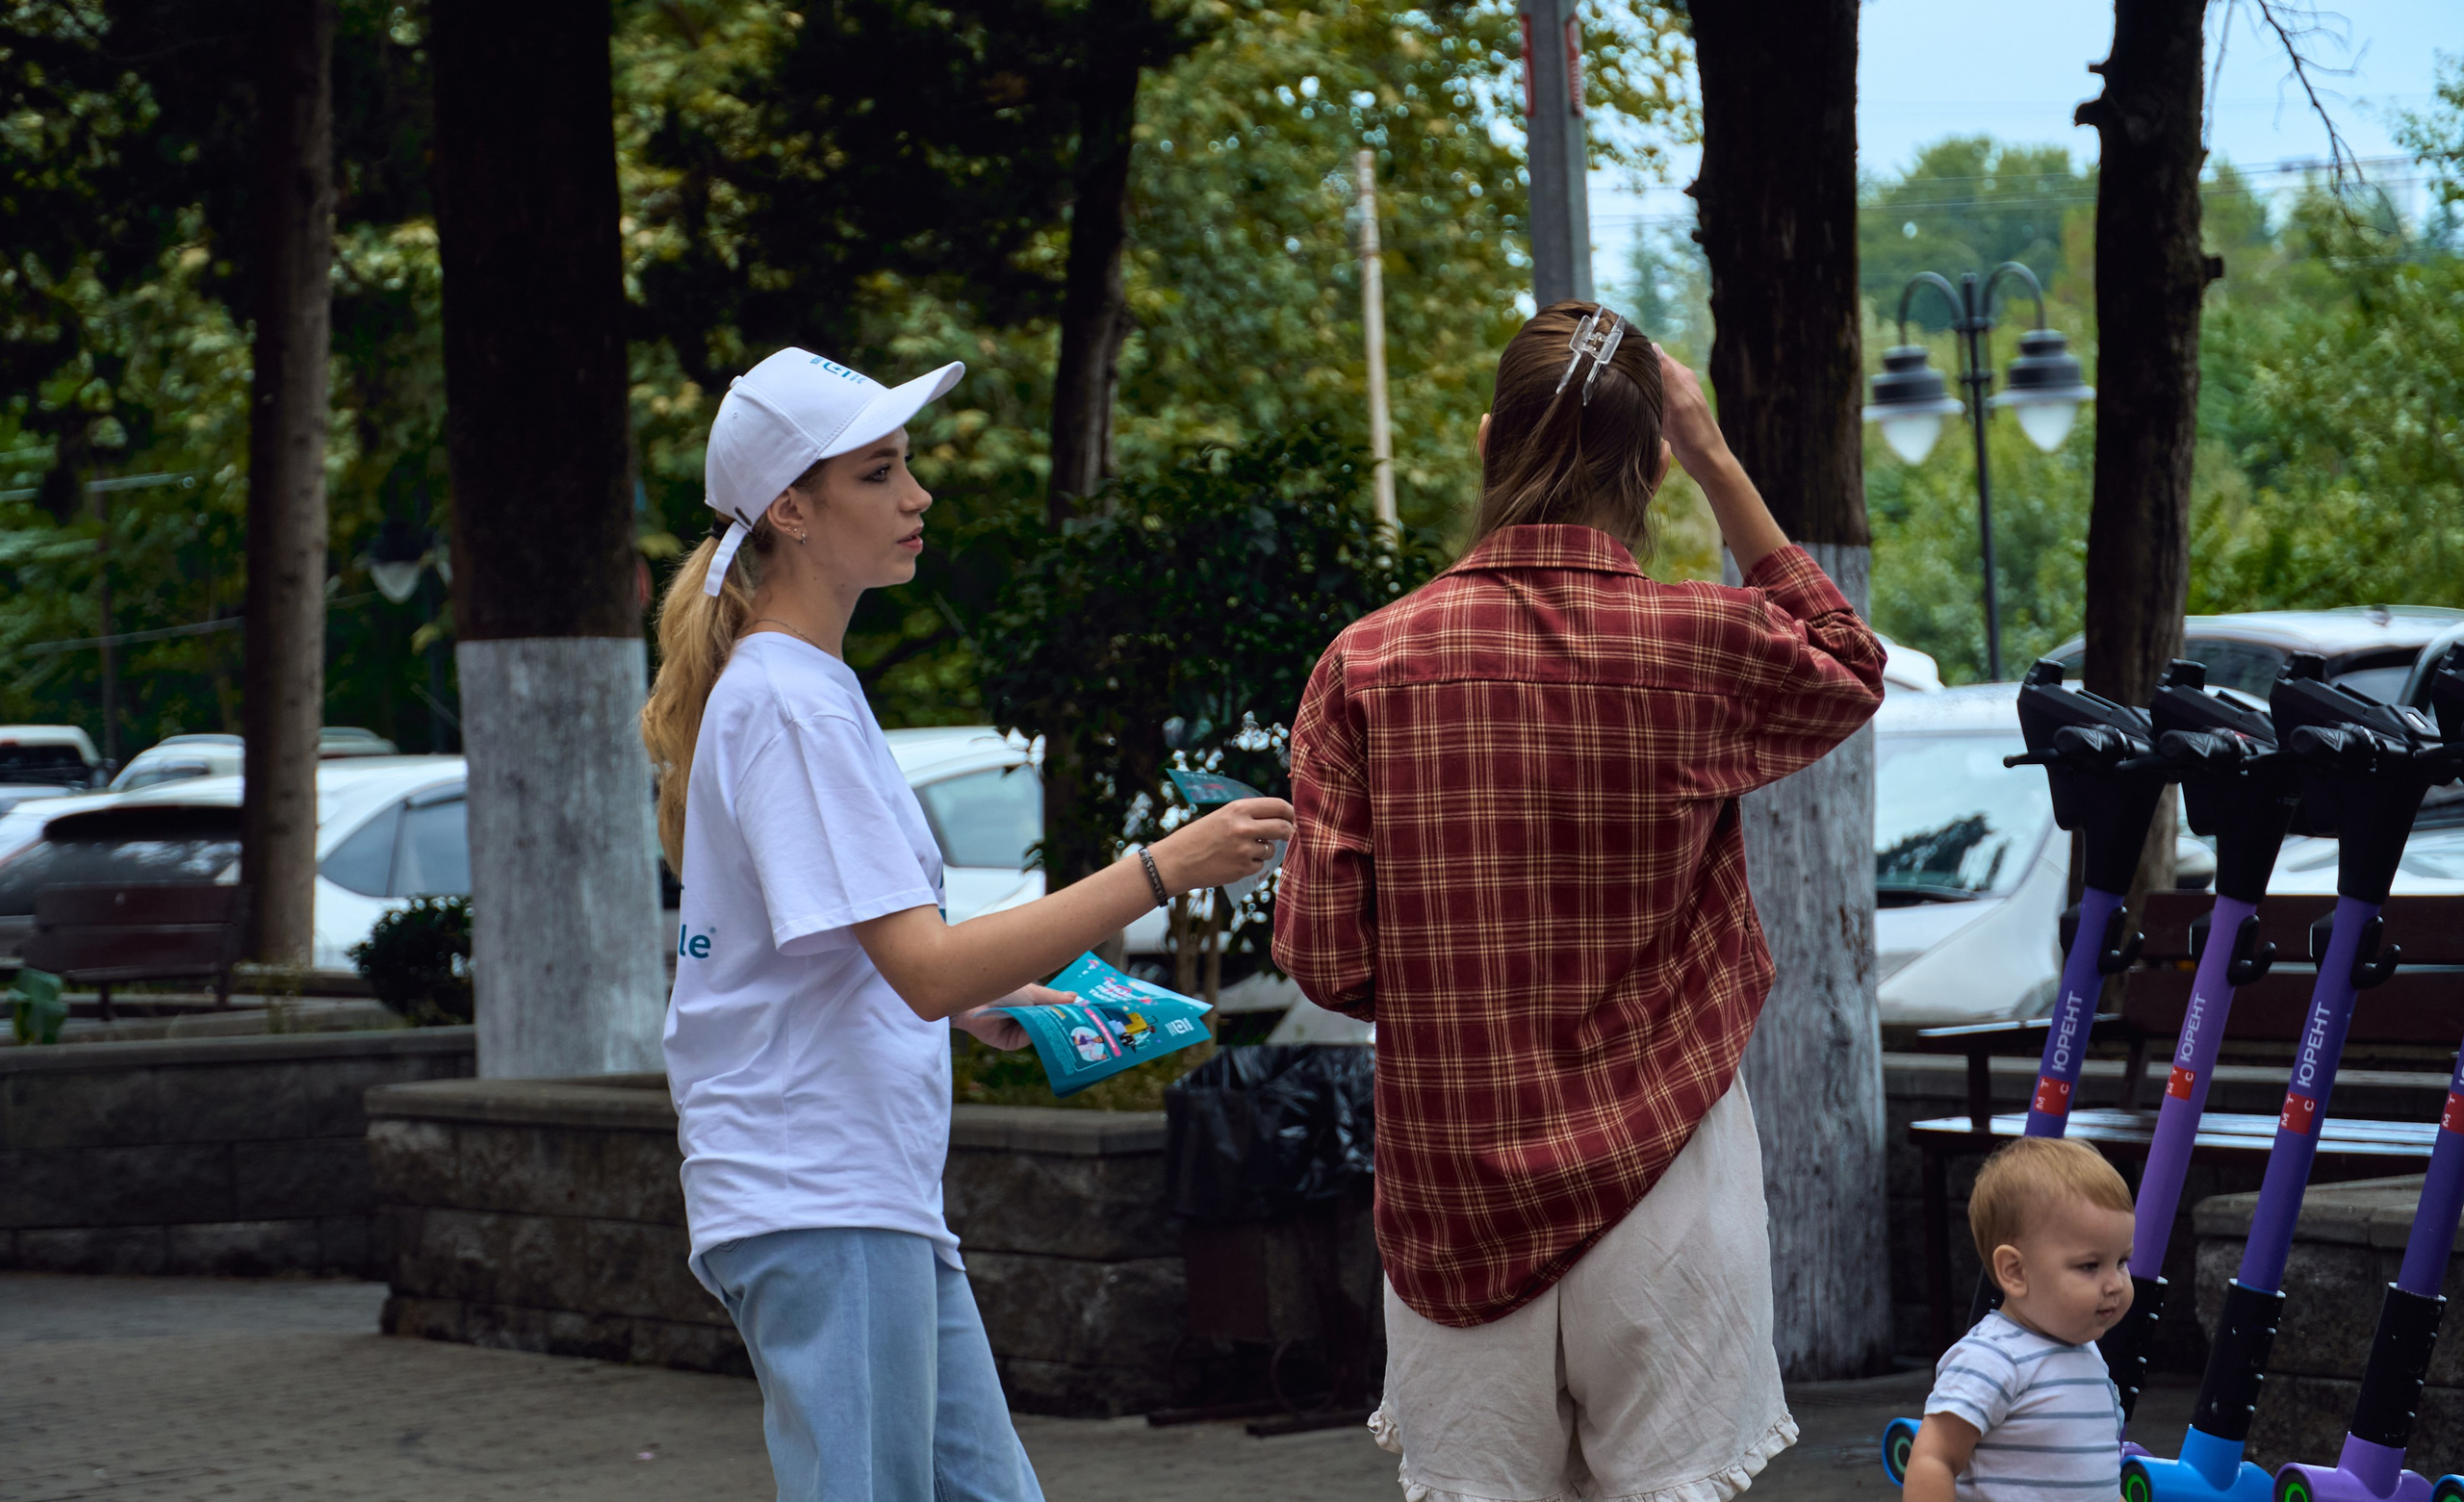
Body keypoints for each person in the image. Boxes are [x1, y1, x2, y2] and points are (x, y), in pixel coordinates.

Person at [640, 346, 1292, 1502]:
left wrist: (983, 996)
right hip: (822, 1189)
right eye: (878, 472)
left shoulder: (800, 686)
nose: (917, 493)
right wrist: (1163, 867)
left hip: (852, 1191)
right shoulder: (789, 699)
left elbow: (864, 957)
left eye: (906, 465)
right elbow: (923, 968)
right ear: (790, 509)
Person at [1274, 302, 1886, 1502]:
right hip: (1669, 1169)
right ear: (1653, 462)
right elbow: (1847, 660)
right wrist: (1716, 457)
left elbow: (1325, 958)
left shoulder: (1367, 663)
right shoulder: (1697, 643)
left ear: (1488, 440)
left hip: (1455, 1193)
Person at [1905, 1138, 2133, 1502]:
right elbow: (1934, 1458)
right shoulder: (1993, 1357)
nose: (2115, 1284)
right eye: (2090, 1265)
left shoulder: (2088, 1356)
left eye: (2121, 1261)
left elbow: (2095, 1477)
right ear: (2015, 1271)